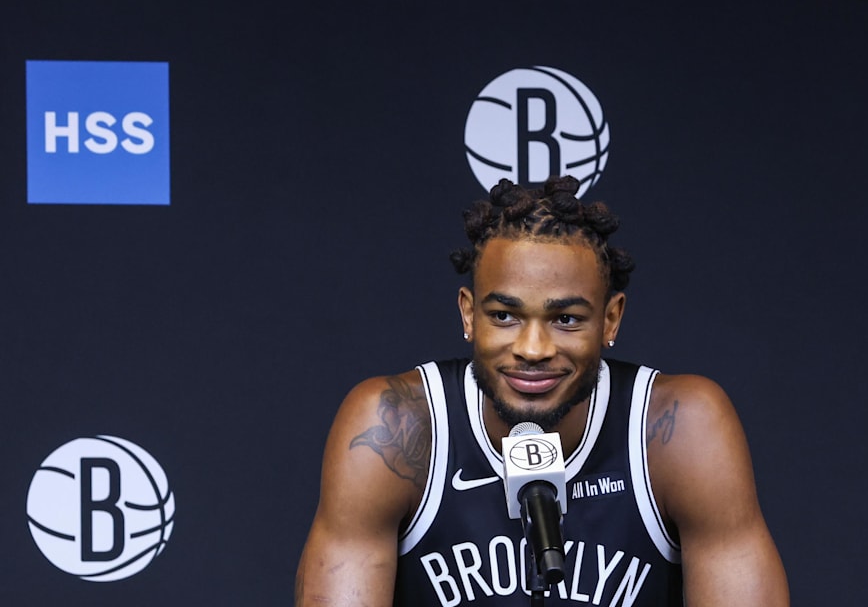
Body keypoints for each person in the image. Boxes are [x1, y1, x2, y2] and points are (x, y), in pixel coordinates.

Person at [296, 176, 789, 606]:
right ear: (469, 315)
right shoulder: (395, 423)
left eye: (566, 319)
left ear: (611, 318)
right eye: (504, 316)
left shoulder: (681, 428)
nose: (533, 348)